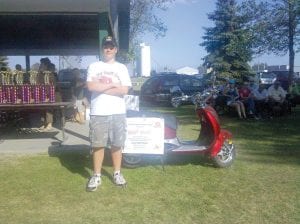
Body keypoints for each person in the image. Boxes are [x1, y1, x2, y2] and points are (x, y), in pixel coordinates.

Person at [86, 36, 132, 191]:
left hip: (118, 112)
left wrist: (102, 86)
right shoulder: (94, 66)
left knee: (117, 144)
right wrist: (113, 84)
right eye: (106, 46)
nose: (108, 49)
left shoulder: (122, 68)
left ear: (116, 49)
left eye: (111, 47)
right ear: (102, 48)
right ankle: (96, 176)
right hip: (98, 112)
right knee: (97, 144)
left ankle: (117, 173)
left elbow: (124, 90)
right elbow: (91, 86)